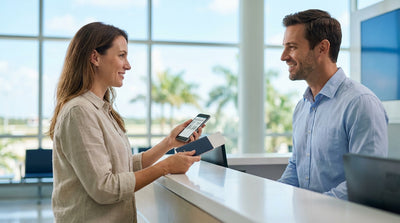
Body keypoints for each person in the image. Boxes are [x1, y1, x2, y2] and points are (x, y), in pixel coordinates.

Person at [48, 22, 202, 222]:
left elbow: (123, 166)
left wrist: (169, 143)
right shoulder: (80, 112)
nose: (128, 65)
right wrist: (166, 167)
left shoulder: (101, 110)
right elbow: (104, 188)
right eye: (121, 55)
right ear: (95, 57)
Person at [277, 9, 388, 200]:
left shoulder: (361, 104)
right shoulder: (301, 107)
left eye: (292, 47)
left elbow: (368, 182)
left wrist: (314, 208)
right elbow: (296, 167)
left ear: (322, 48)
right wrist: (271, 197)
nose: (284, 56)